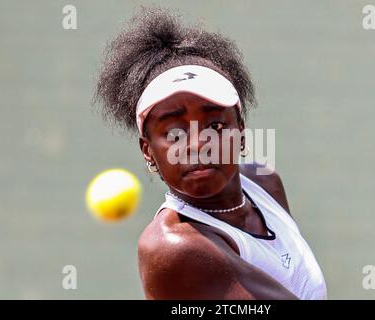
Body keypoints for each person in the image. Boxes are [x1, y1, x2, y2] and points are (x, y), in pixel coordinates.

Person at [94, 7, 327, 300]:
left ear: (240, 131)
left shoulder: (264, 184)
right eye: (174, 133)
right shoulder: (172, 247)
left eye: (216, 124)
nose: (198, 144)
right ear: (148, 151)